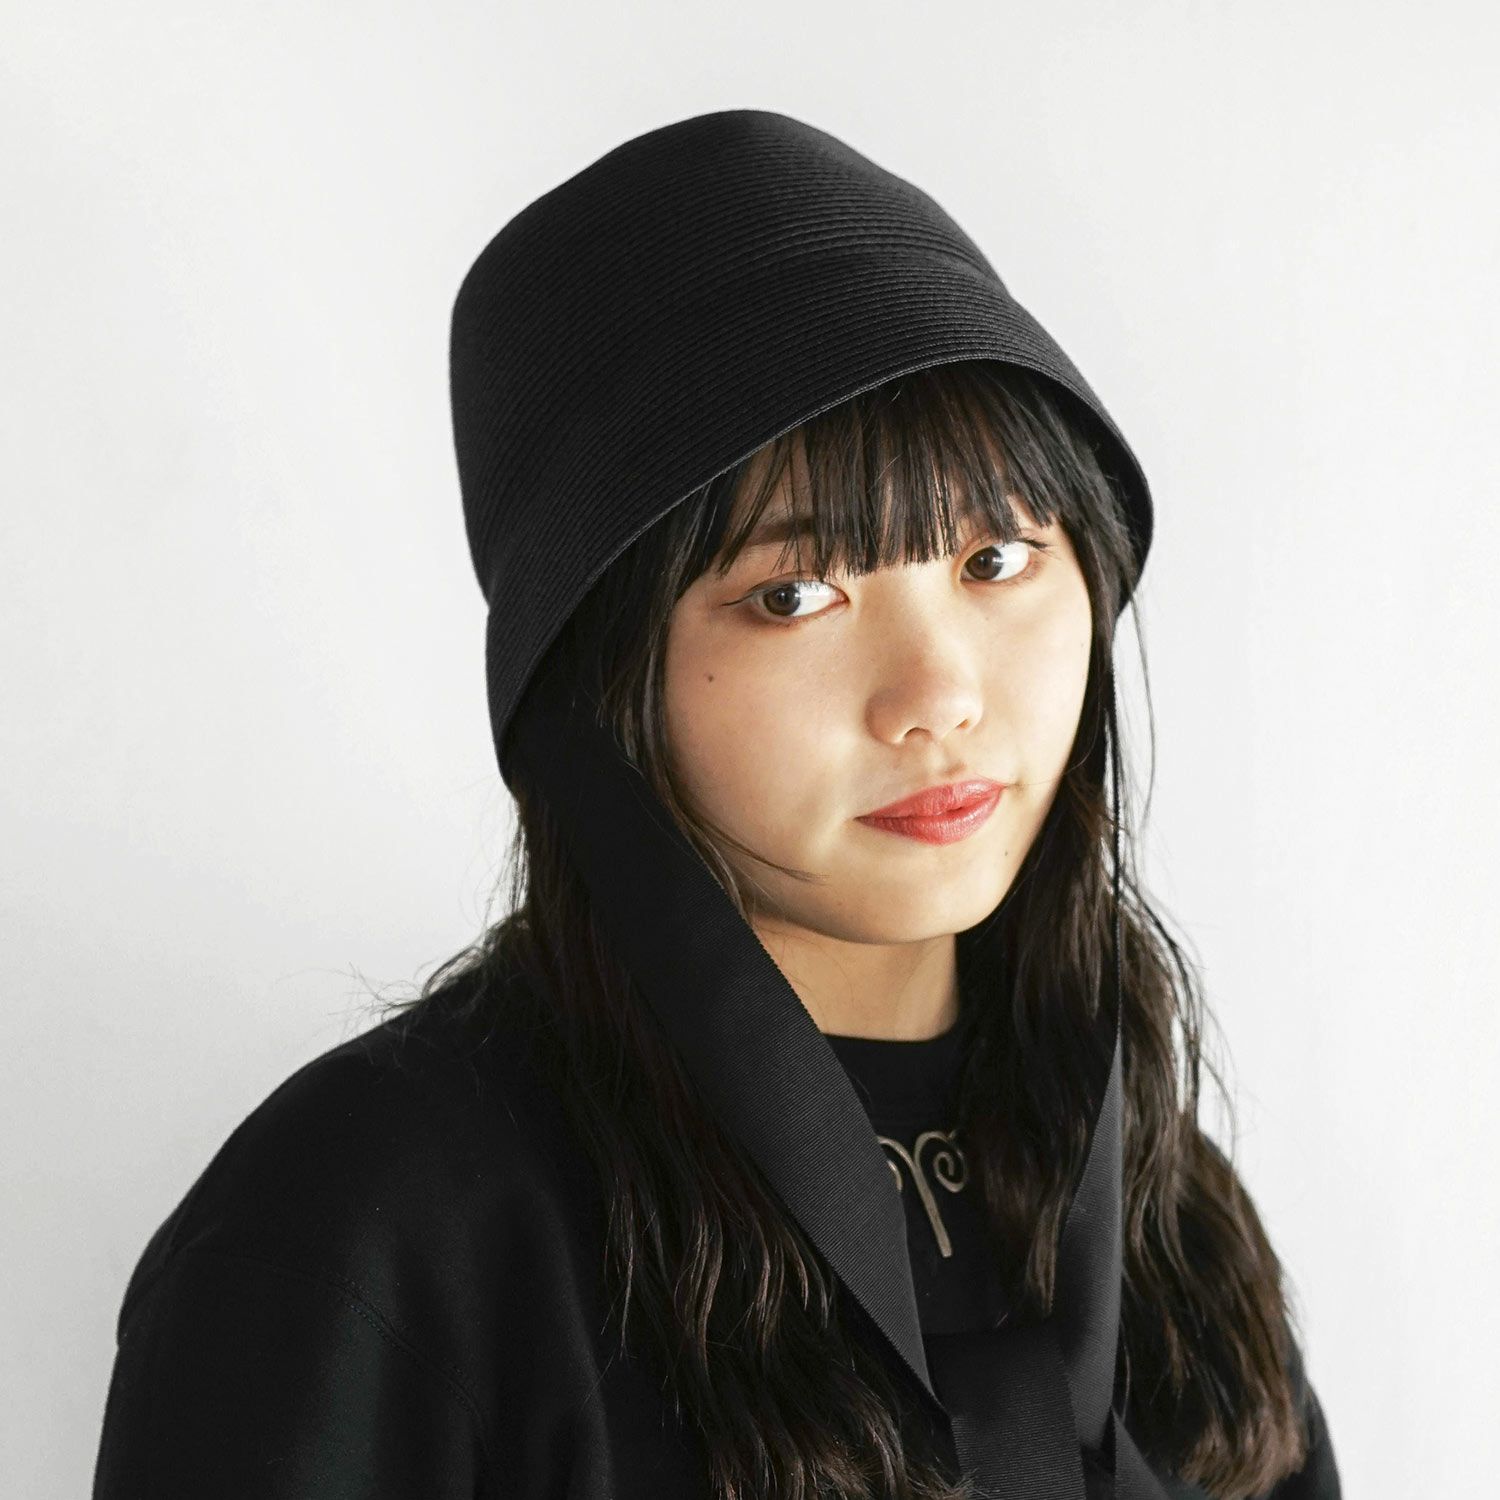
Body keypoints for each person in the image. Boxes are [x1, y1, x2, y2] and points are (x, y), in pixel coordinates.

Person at [91, 109, 1341, 1500]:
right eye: (795, 594)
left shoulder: (1156, 1197)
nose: (937, 695)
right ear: (602, 675)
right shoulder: (368, 1226)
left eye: (996, 559)